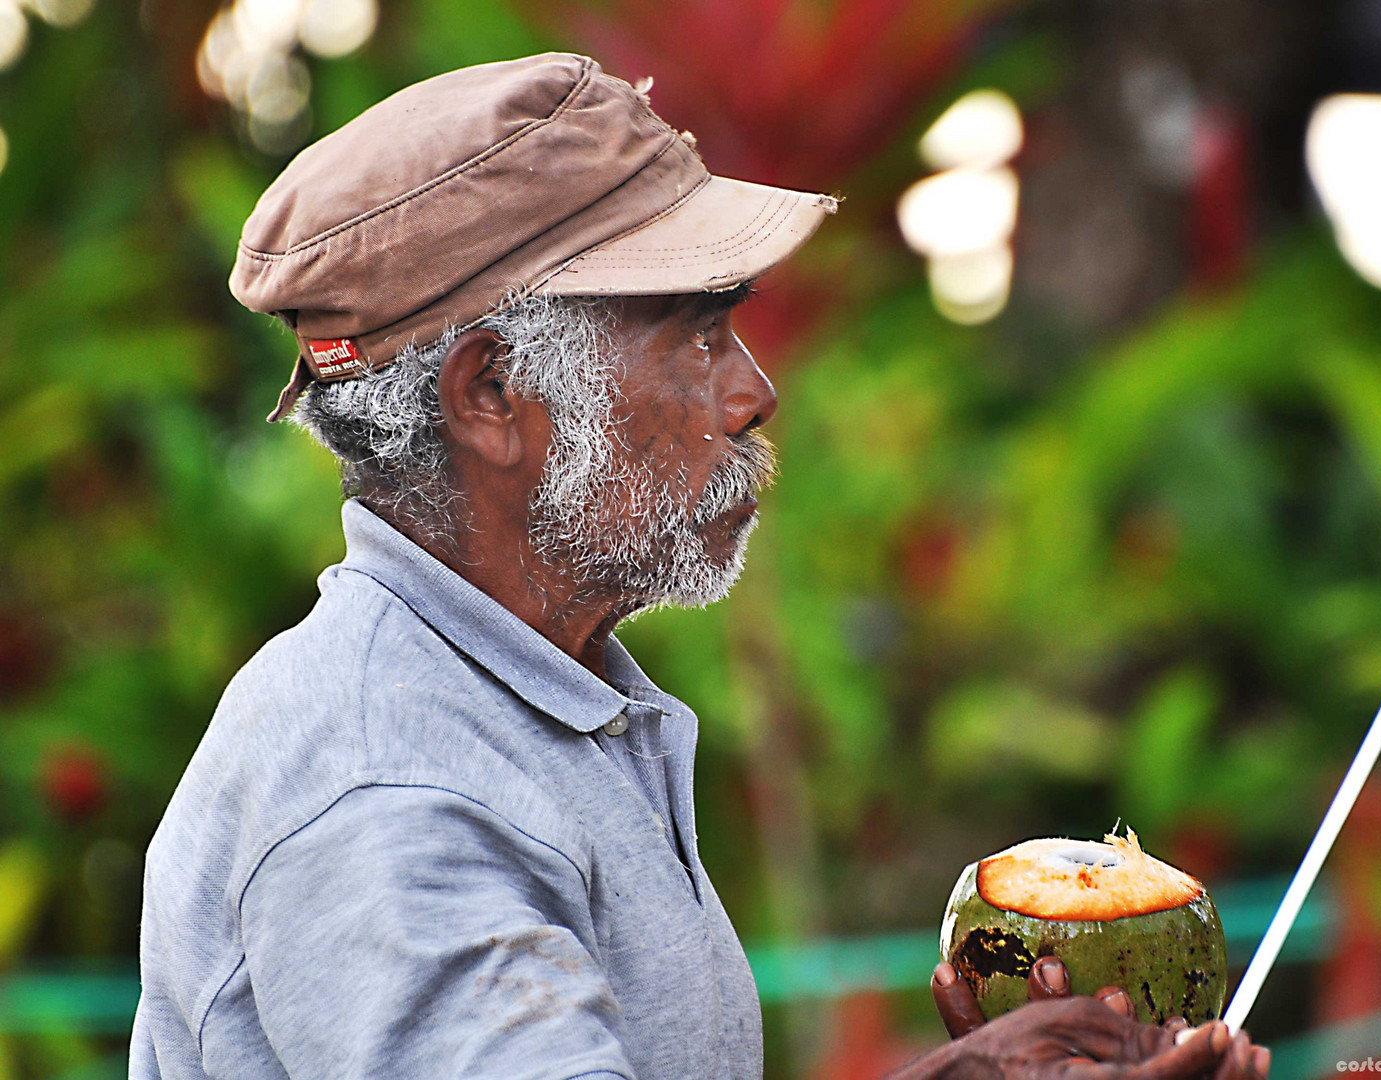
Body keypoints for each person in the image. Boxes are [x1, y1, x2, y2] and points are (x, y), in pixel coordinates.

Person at [130, 53, 1269, 1080]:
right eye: (694, 330)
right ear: (487, 395)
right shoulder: (394, 798)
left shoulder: (519, 703)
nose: (752, 394)